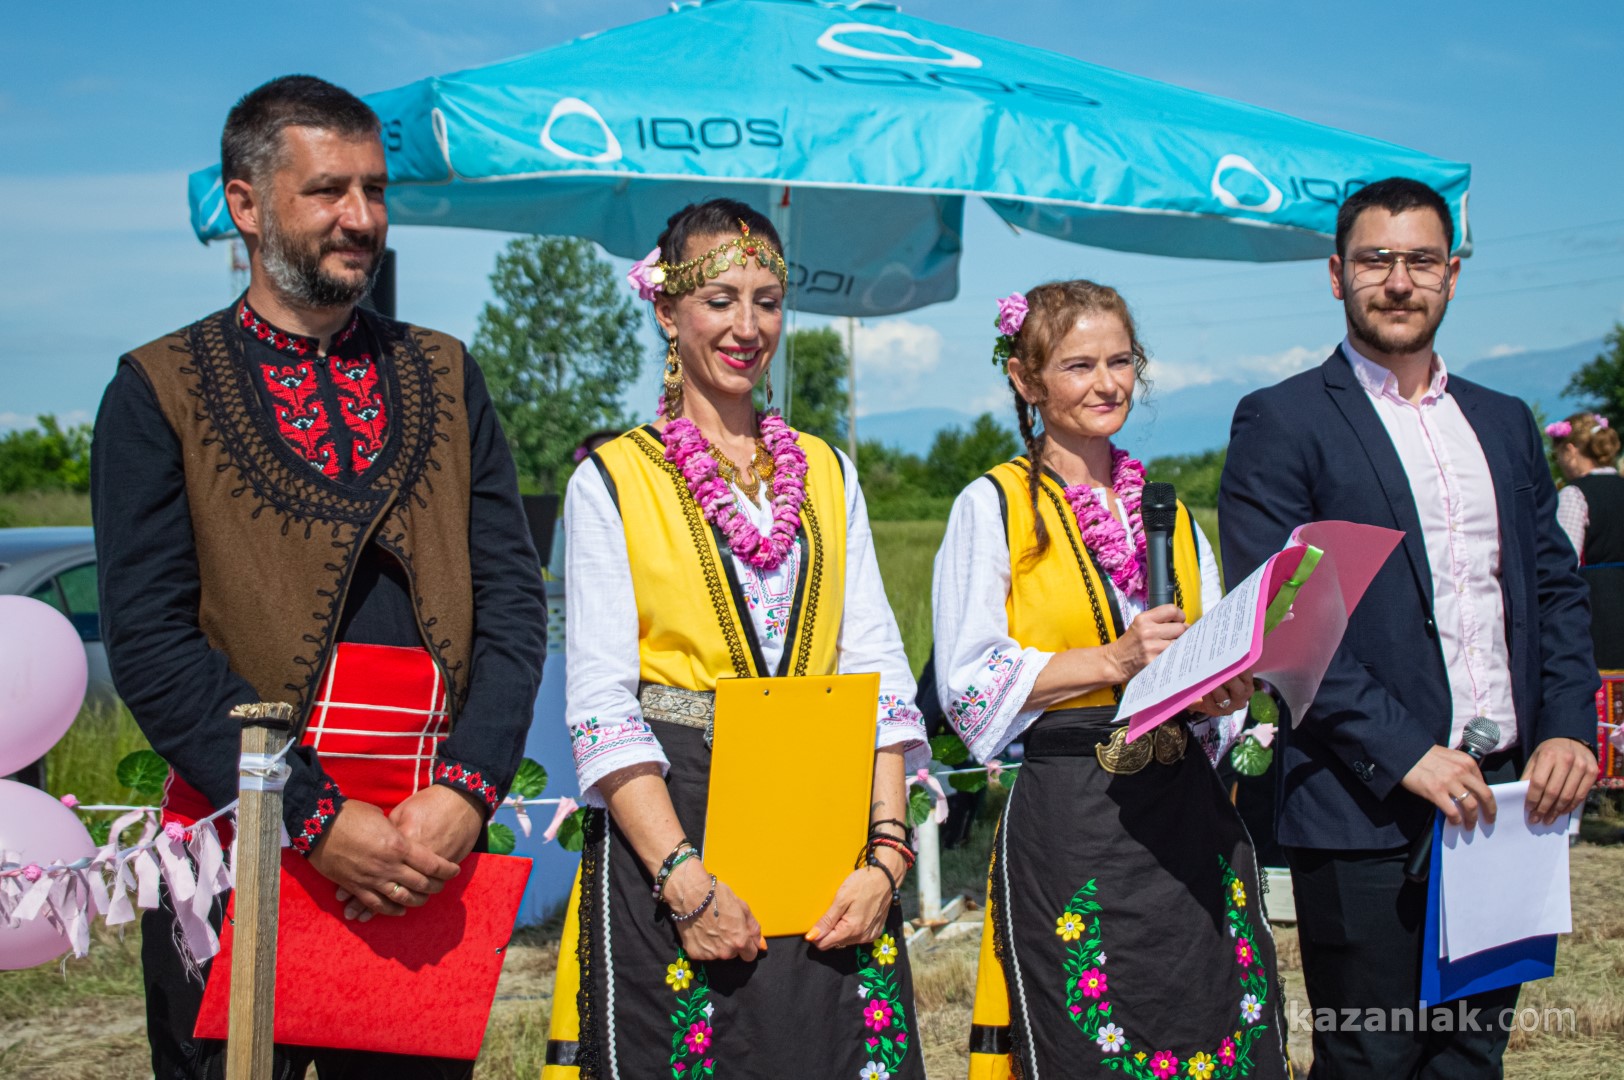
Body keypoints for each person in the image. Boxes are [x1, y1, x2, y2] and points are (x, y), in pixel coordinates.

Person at [91, 75, 548, 1078]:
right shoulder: (157, 389)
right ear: (246, 205)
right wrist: (309, 814)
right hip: (234, 842)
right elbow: (152, 643)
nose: (362, 217)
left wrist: (468, 790)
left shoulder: (446, 374)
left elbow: (514, 604)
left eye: (375, 190)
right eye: (328, 190)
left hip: (427, 847)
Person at [1220, 177, 1599, 1079]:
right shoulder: (1284, 419)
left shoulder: (1504, 422)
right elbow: (1282, 616)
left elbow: (1553, 589)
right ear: (1336, 275)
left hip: (1506, 800)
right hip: (1364, 806)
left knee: (1472, 1057)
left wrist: (1567, 727)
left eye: (1422, 260)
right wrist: (1405, 754)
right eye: (1376, 260)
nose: (1399, 281)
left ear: (1453, 275)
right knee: (1371, 1057)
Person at [542, 199, 930, 1079]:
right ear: (666, 309)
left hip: (829, 830)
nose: (746, 327)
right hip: (682, 823)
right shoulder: (613, 480)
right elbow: (601, 702)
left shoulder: (828, 471)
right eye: (719, 300)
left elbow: (876, 668)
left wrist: (886, 853)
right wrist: (683, 879)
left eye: (767, 301)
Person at [935, 280, 1287, 1079]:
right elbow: (968, 682)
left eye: (1121, 361)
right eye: (1079, 365)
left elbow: (1207, 653)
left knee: (1213, 1022)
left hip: (1187, 805)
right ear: (1026, 379)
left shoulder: (1172, 515)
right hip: (1074, 809)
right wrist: (1116, 662)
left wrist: (1223, 693)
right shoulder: (992, 507)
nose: (1107, 383)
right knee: (1089, 1040)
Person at [1549, 412, 1624, 668]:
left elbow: (1563, 563)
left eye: (1558, 455)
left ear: (1570, 450)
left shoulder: (1575, 494)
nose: (1560, 462)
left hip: (1600, 607)